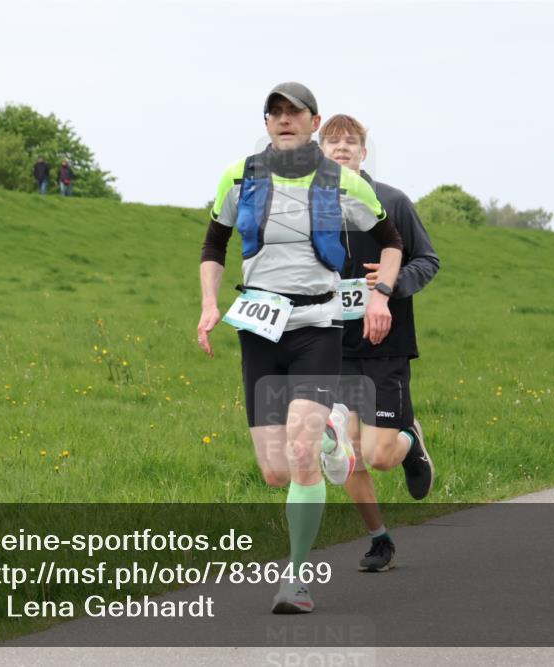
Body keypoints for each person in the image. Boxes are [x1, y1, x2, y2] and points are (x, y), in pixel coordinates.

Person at [197, 82, 404, 613]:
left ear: (315, 122)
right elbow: (214, 242)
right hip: (260, 324)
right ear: (266, 123)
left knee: (299, 451)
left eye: (295, 112)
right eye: (275, 113)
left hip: (318, 322)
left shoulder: (342, 181)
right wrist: (208, 304)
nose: (284, 119)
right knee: (276, 470)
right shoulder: (239, 175)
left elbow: (391, 240)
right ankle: (337, 439)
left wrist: (382, 291)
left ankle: (295, 580)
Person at [319, 114, 438, 572]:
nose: (342, 149)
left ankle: (412, 442)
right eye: (333, 142)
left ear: (363, 153)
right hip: (334, 347)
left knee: (379, 456)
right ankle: (379, 541)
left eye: (351, 143)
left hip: (385, 346)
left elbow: (428, 260)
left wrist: (390, 285)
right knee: (345, 452)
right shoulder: (310, 210)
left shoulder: (391, 201)